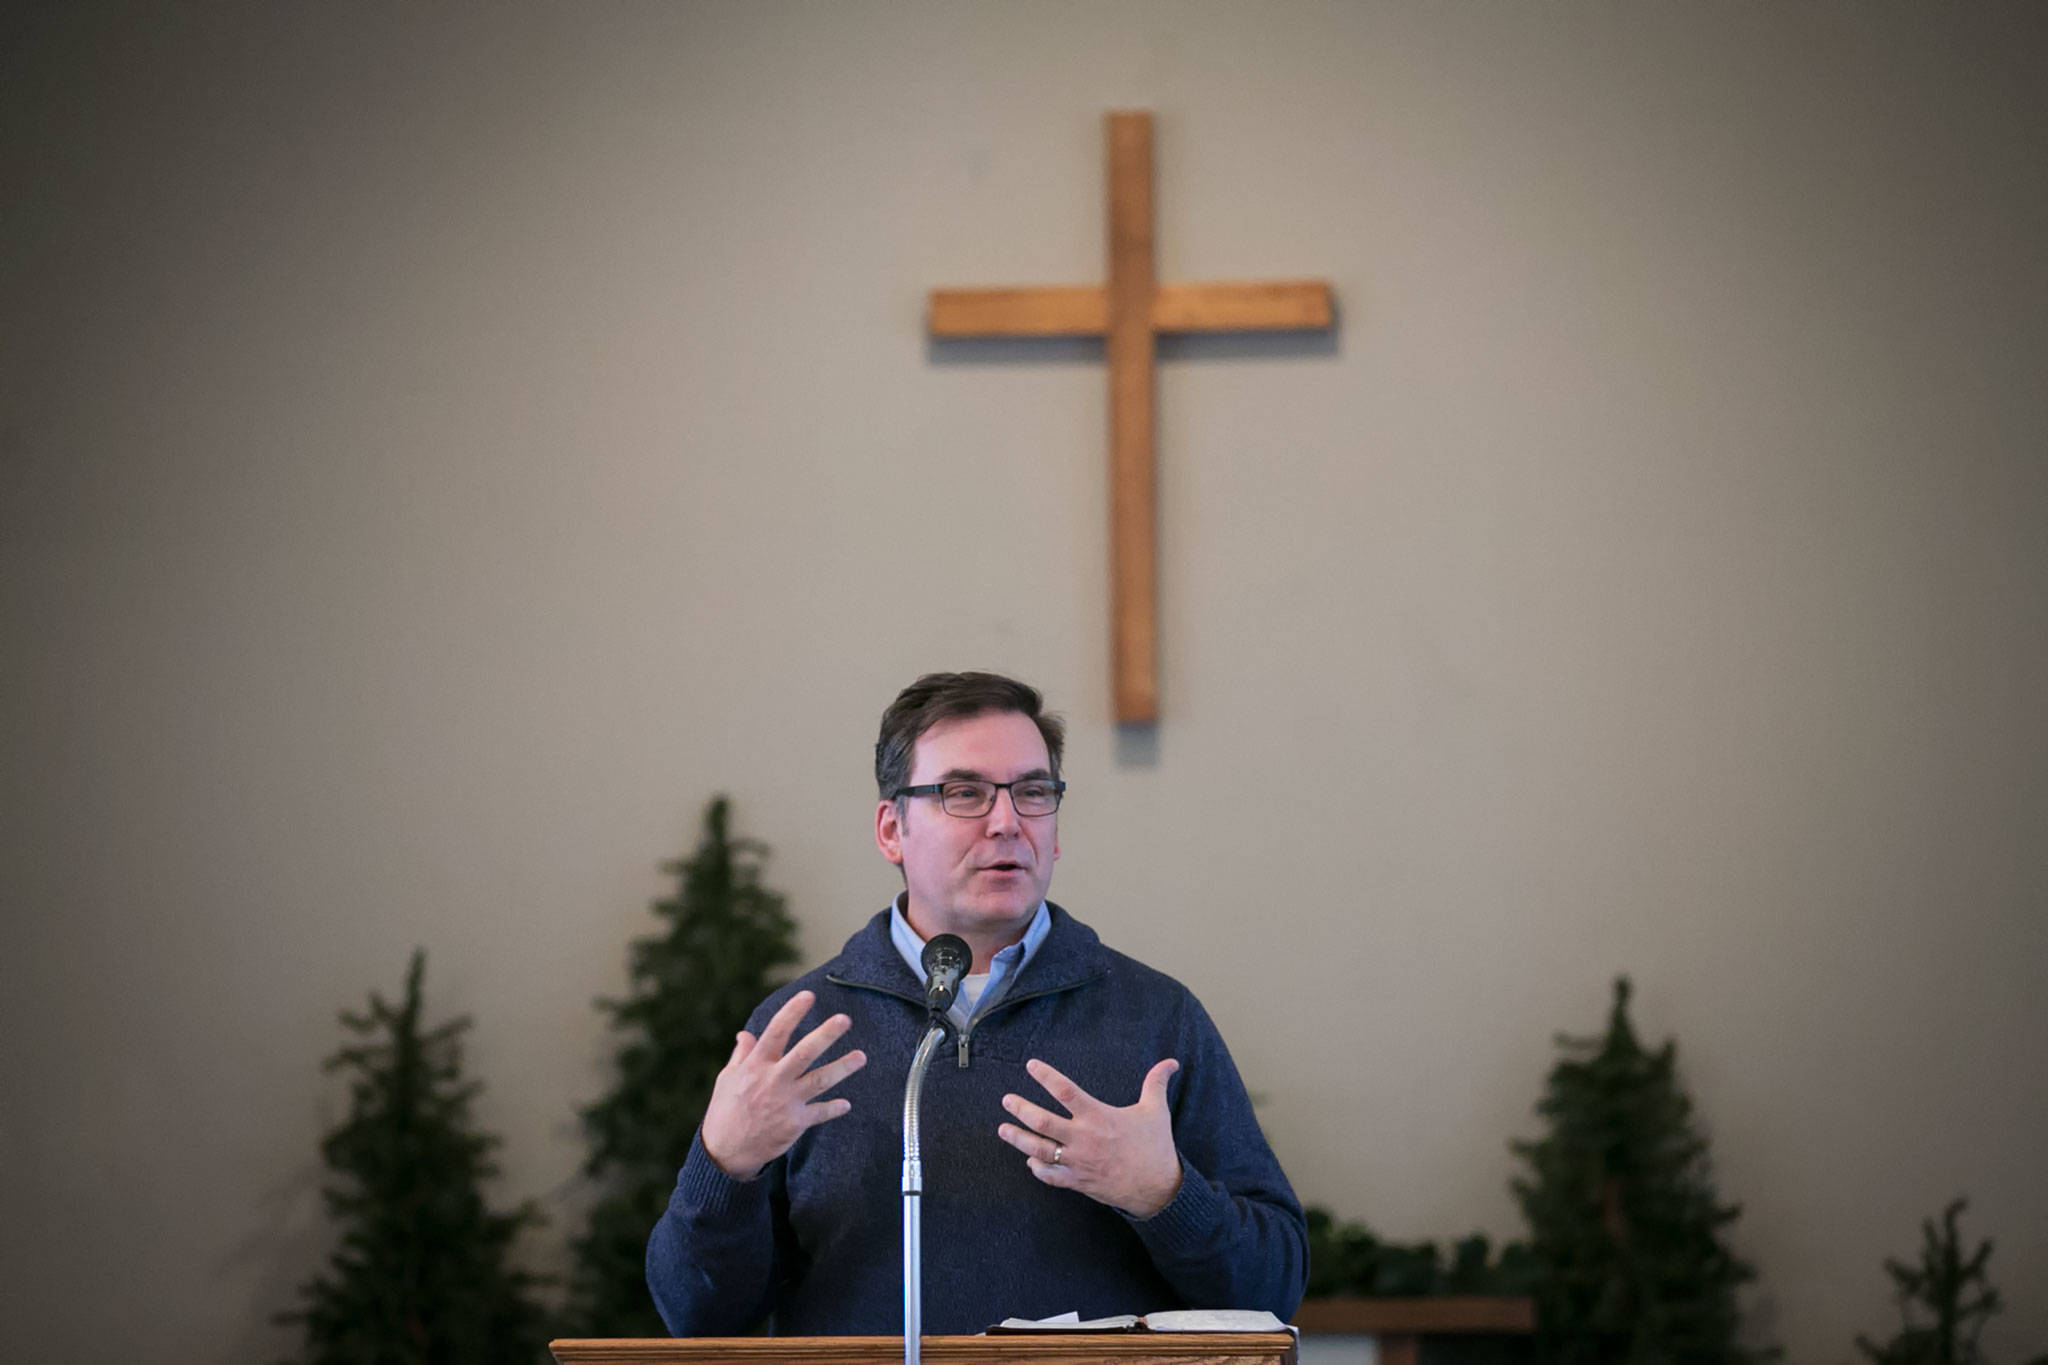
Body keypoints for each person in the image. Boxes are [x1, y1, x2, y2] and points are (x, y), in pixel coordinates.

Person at [646, 671, 1306, 1336]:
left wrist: (1165, 1195)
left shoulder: (1155, 1018)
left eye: (1033, 792)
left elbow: (1275, 1289)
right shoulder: (801, 1031)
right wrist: (723, 1164)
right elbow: (698, 1316)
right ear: (891, 829)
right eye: (964, 793)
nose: (1007, 821)